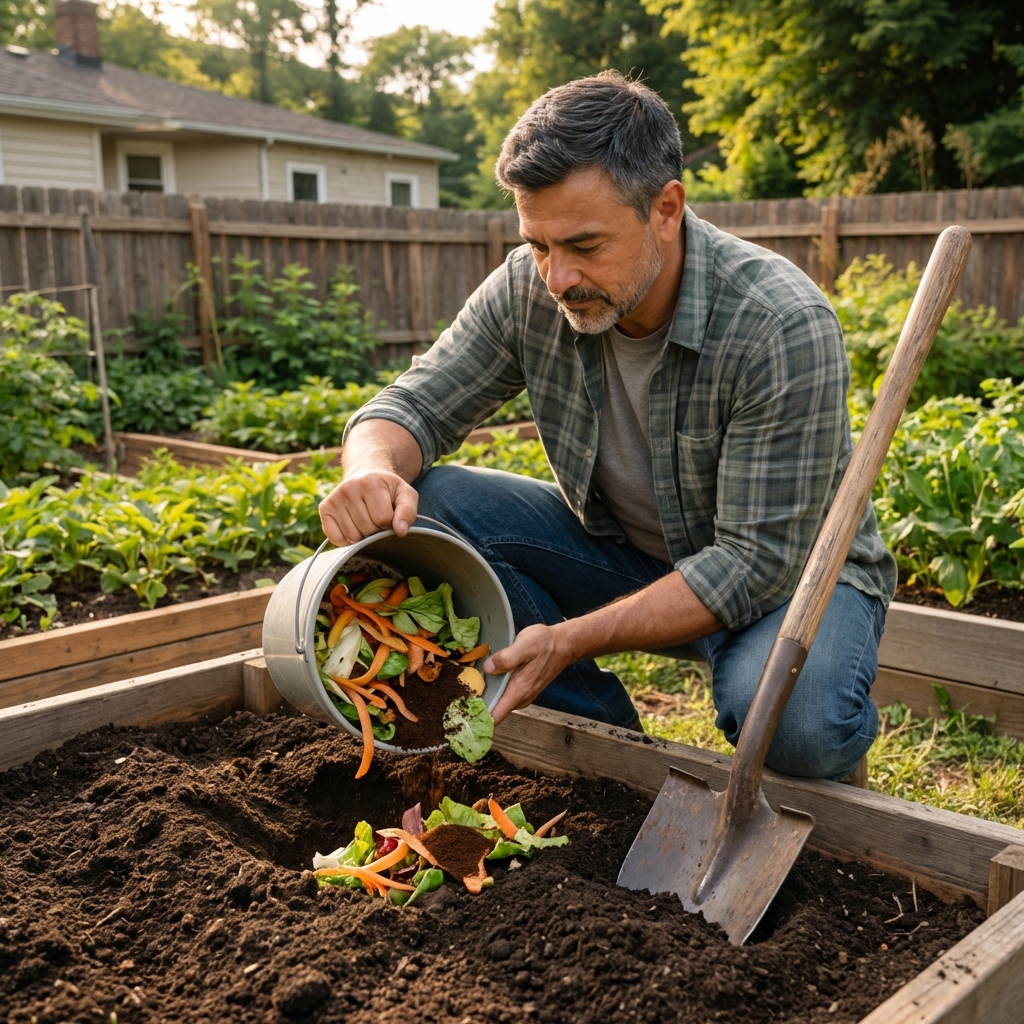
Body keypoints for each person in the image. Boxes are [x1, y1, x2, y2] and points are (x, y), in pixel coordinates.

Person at [318, 71, 897, 780]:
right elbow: (415, 403)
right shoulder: (529, 290)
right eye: (539, 244)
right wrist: (370, 467)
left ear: (666, 208)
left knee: (798, 725)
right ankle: (610, 751)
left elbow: (753, 564)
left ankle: (816, 721)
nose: (557, 276)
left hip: (791, 578)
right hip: (630, 555)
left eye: (585, 246)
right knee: (432, 504)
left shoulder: (776, 323)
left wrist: (570, 638)